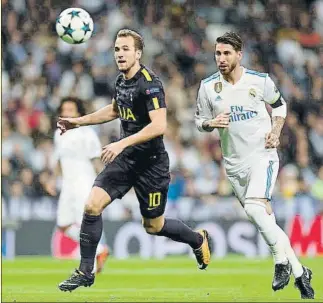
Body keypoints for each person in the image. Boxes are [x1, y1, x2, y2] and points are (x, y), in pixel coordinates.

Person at [57, 29, 211, 292]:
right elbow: (115, 110)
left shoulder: (150, 83)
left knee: (154, 226)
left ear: (138, 53)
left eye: (125, 49)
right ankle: (85, 271)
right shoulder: (121, 81)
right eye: (117, 49)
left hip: (151, 164)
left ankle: (197, 240)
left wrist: (121, 142)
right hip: (125, 161)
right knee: (92, 205)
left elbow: (159, 125)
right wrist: (78, 122)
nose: (120, 53)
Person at [195, 32, 314, 300]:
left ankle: (280, 261)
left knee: (253, 207)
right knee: (263, 218)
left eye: (227, 53)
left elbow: (280, 106)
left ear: (239, 54)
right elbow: (199, 120)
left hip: (263, 155)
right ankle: (299, 272)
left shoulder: (259, 82)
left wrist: (276, 130)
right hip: (233, 165)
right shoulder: (207, 87)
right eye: (218, 53)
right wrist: (211, 124)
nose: (221, 59)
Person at [51, 97, 109, 273]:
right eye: (64, 109)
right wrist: (52, 180)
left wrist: (104, 184)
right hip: (67, 185)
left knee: (83, 223)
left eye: (71, 110)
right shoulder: (59, 133)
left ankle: (91, 260)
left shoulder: (87, 133)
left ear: (79, 113)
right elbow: (59, 160)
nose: (67, 113)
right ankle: (100, 250)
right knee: (63, 224)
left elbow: (97, 161)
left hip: (84, 183)